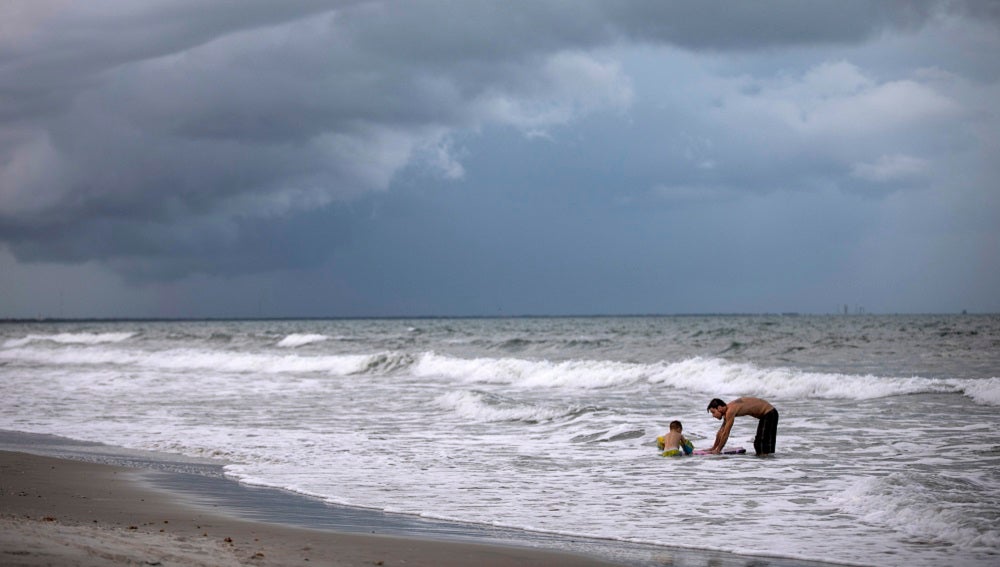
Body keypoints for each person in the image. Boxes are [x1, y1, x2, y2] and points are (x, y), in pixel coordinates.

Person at [707, 397, 778, 456]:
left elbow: (726, 433)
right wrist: (713, 448)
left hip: (769, 413)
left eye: (713, 412)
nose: (713, 415)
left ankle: (767, 467)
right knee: (759, 446)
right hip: (766, 415)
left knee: (761, 445)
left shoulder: (730, 411)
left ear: (719, 408)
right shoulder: (727, 412)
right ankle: (768, 464)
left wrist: (718, 450)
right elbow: (721, 431)